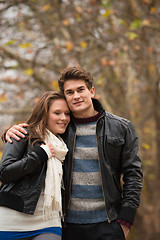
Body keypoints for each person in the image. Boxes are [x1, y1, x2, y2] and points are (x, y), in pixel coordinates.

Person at [4, 67, 143, 240]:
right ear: (65, 97)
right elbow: (34, 129)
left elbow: (133, 174)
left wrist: (126, 220)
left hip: (109, 223)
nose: (76, 96)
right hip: (68, 226)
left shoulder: (121, 127)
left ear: (91, 91)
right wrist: (11, 131)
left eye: (80, 90)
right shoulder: (60, 127)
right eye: (70, 92)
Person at [0, 91, 70, 240]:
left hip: (49, 221)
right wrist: (39, 156)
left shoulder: (64, 146)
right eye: (57, 113)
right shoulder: (22, 134)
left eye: (67, 113)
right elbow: (5, 173)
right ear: (44, 114)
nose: (63, 118)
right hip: (11, 220)